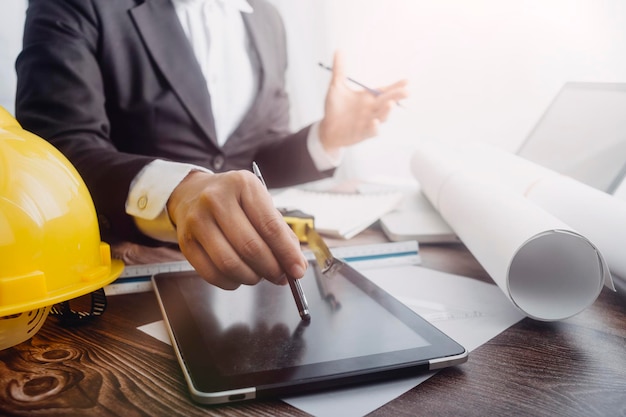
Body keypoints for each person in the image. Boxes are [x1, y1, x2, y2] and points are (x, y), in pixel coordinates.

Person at [15, 0, 408, 291]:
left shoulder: (267, 19)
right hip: (125, 279)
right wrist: (178, 191)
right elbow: (59, 148)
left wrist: (326, 138)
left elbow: (252, 159)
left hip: (251, 280)